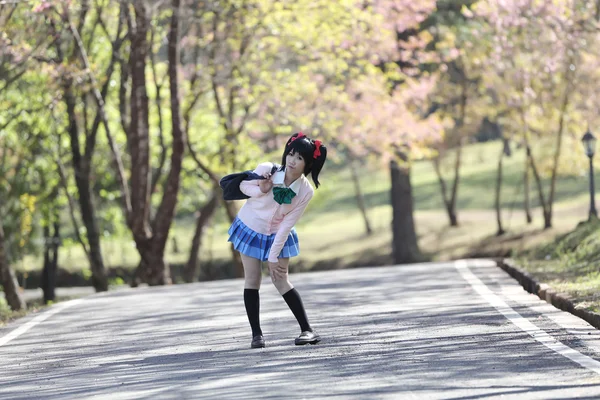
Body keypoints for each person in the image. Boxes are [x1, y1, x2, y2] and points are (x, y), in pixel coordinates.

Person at [227, 132, 327, 348]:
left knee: (280, 278)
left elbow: (287, 224)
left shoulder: (305, 191)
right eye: (290, 154)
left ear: (307, 164)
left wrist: (273, 256)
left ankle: (307, 330)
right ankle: (257, 335)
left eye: (299, 158)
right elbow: (243, 185)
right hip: (251, 227)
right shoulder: (268, 170)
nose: (292, 160)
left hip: (279, 234)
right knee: (252, 279)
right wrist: (261, 189)